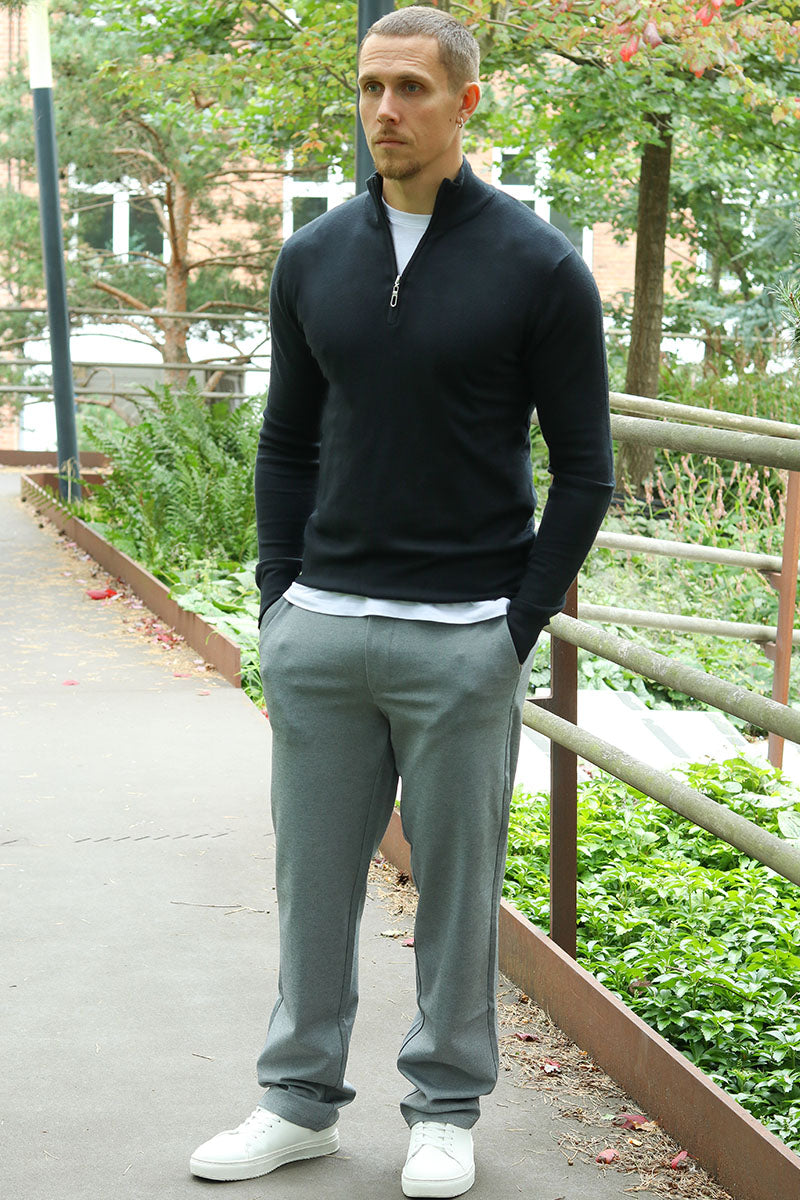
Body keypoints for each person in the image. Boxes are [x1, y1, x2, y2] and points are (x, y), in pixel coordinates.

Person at [190, 7, 614, 1197]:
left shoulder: (538, 265)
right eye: (371, 86)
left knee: (458, 895)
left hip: (462, 638)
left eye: (412, 88)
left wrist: (511, 630)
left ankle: (443, 1109)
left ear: (463, 102)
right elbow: (285, 444)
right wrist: (278, 601)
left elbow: (585, 471)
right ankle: (295, 1103)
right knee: (311, 887)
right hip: (322, 631)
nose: (386, 109)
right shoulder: (313, 257)